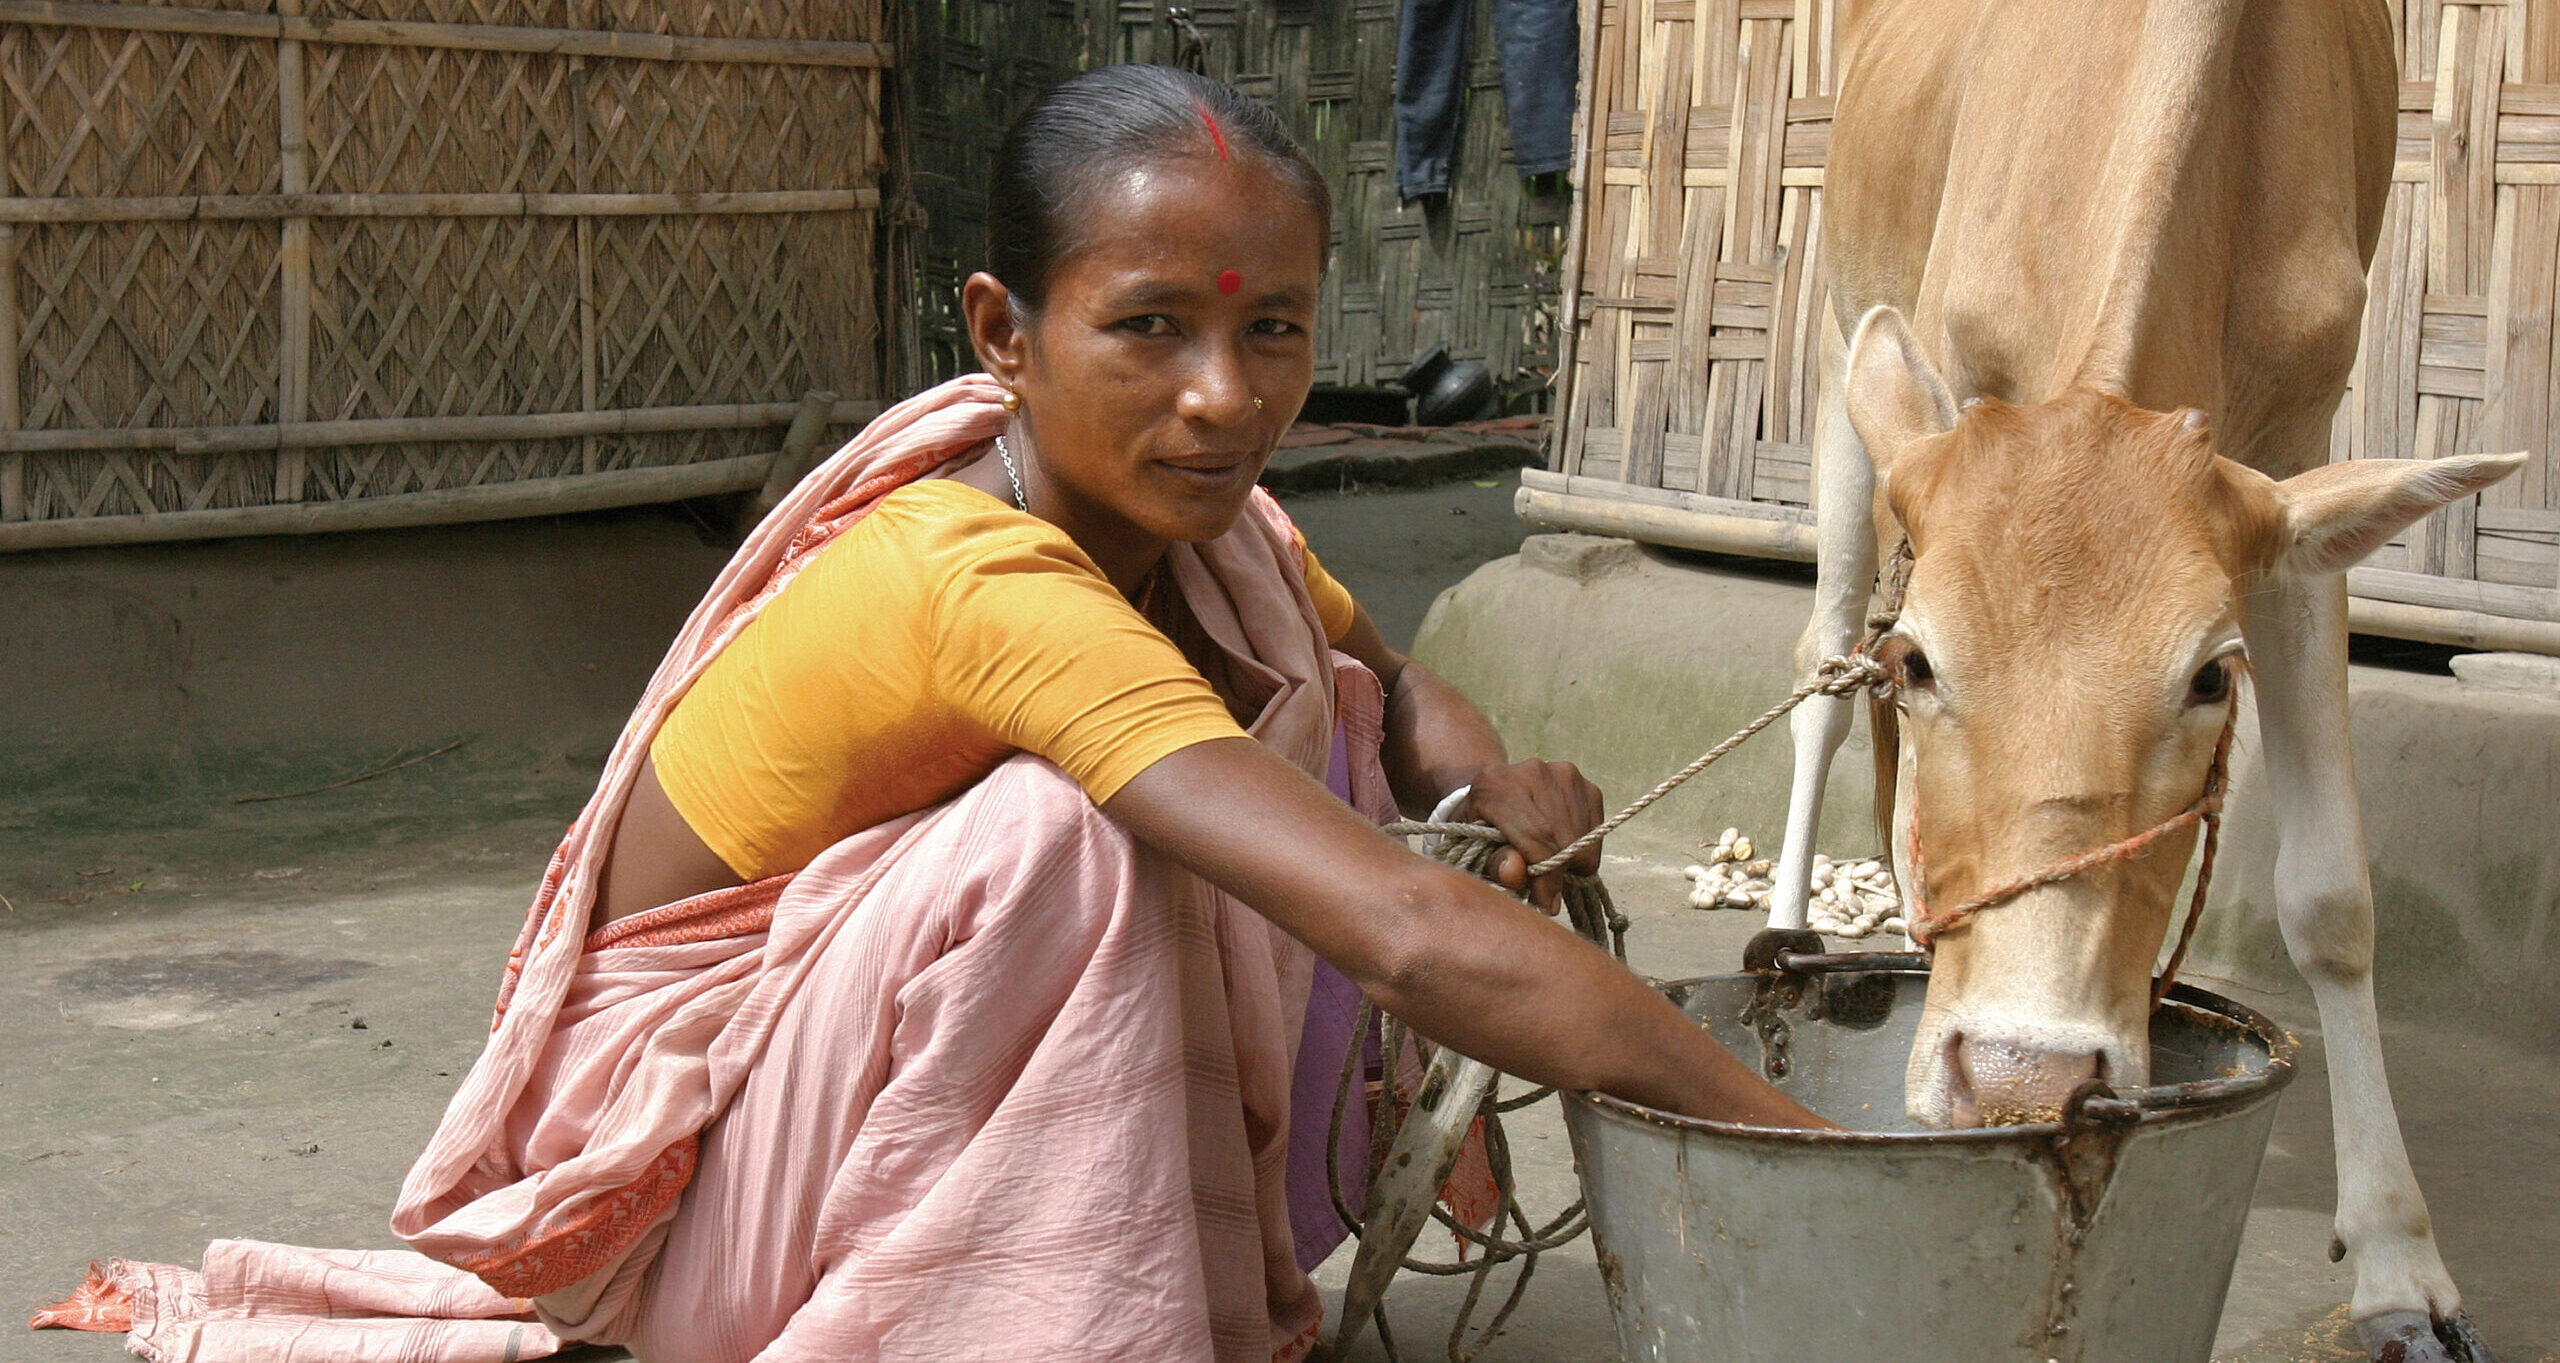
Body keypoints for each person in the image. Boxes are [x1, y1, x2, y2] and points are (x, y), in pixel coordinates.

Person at [35, 65, 1824, 1363]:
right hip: (692, 1217)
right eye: (1151, 331)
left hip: (836, 1137)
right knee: (1073, 834)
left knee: (1299, 712)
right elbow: (1410, 932)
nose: (1225, 399)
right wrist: (1819, 1153)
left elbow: (1385, 682)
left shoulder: (1207, 528)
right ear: (1003, 330)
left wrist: (1484, 763)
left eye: (1272, 332)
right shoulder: (979, 578)